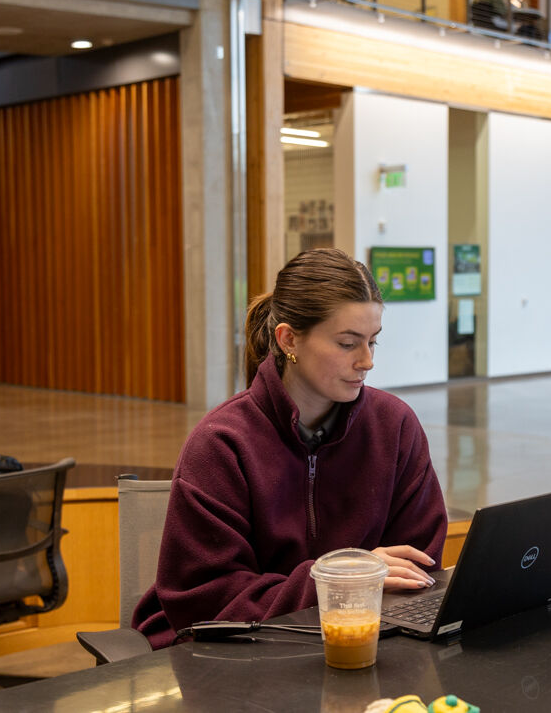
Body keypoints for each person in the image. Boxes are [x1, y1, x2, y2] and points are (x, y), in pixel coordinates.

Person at [132, 248, 448, 649]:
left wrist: (354, 588)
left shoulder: (396, 426)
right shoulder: (221, 444)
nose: (367, 361)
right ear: (288, 339)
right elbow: (207, 600)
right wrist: (342, 578)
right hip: (234, 657)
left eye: (373, 342)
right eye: (348, 343)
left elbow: (419, 564)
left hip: (361, 641)